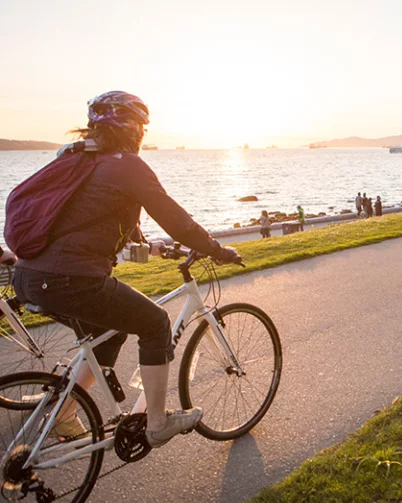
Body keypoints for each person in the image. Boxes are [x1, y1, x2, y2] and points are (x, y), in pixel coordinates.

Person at [9, 91, 240, 447]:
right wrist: (217, 250)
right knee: (155, 323)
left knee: (111, 330)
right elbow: (177, 221)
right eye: (142, 128)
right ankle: (158, 422)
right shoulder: (127, 165)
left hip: (27, 277)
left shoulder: (75, 160)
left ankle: (66, 413)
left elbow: (88, 216)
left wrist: (150, 247)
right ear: (133, 129)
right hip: (71, 280)